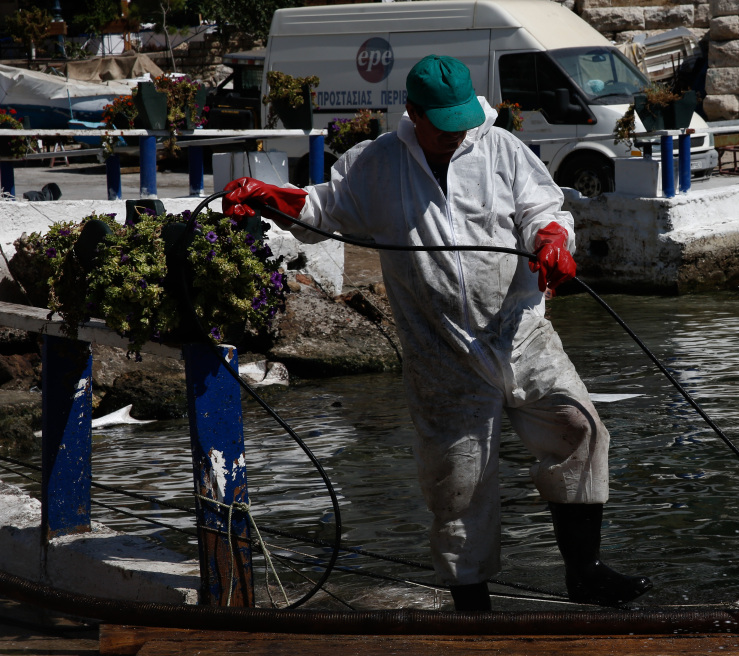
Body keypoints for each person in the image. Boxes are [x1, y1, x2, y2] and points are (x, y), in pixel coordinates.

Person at [222, 55, 651, 611]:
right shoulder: (377, 164)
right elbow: (326, 209)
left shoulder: (500, 149)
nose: (455, 135)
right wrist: (274, 198)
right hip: (440, 348)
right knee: (459, 481)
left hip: (520, 329)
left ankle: (586, 572)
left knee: (578, 426)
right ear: (413, 114)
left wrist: (550, 239)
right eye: (443, 125)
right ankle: (473, 609)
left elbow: (546, 208)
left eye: (462, 122)